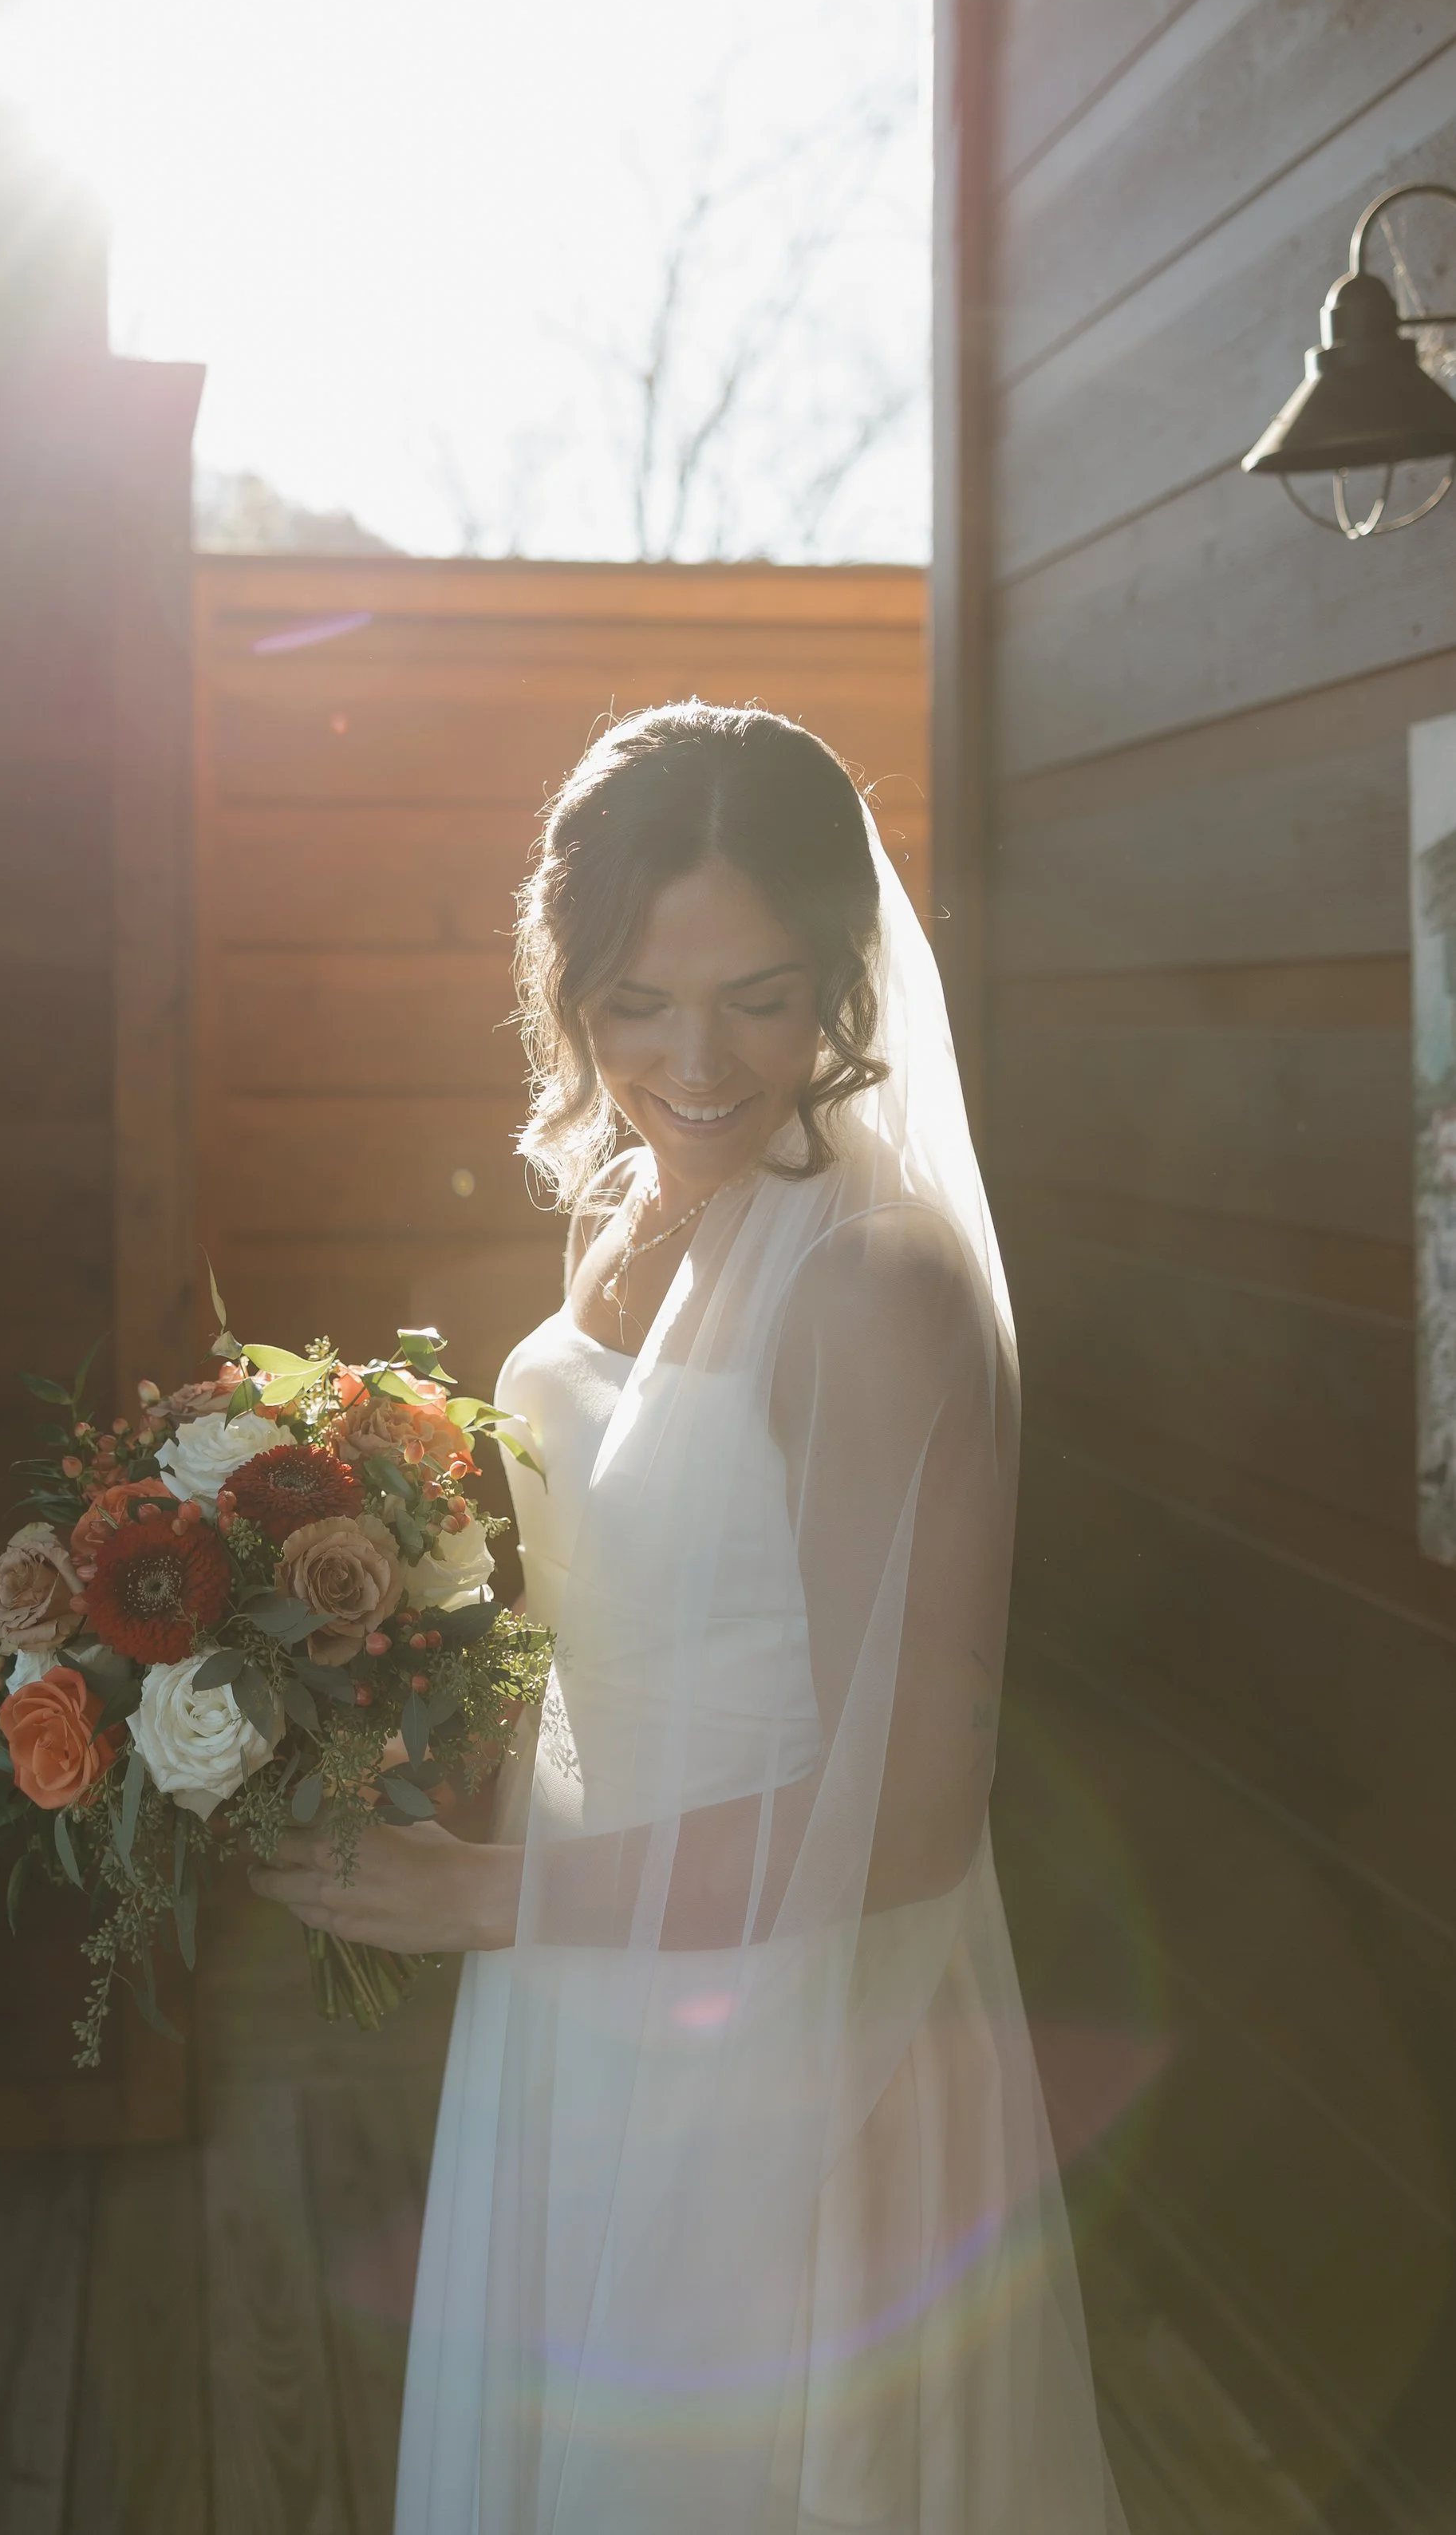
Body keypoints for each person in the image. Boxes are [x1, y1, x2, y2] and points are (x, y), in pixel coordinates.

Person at [251, 702, 1124, 2533]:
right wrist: (383, 1736)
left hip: (790, 2036)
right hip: (580, 1977)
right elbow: (608, 1614)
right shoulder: (623, 1214)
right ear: (566, 984)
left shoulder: (874, 1289)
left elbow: (906, 1821)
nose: (695, 1059)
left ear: (843, 982)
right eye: (638, 999)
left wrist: (488, 1901)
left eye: (759, 993)